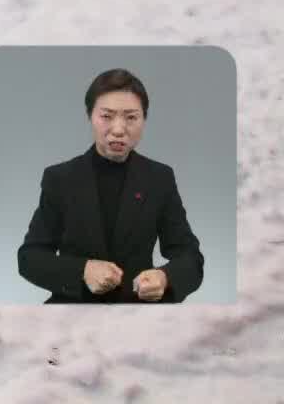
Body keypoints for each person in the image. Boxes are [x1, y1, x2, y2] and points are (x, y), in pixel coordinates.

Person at [16, 68, 204, 304]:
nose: (118, 129)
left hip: (139, 311)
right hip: (72, 312)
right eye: (107, 116)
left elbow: (190, 257)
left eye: (131, 117)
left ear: (144, 119)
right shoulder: (60, 178)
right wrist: (82, 270)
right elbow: (29, 257)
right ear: (90, 116)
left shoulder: (159, 178)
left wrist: (165, 277)